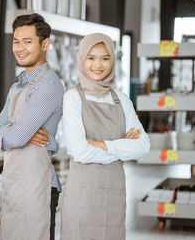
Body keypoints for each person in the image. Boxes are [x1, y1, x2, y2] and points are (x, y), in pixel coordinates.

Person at [59, 33, 150, 240]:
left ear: (112, 61)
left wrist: (100, 144)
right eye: (91, 58)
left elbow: (143, 146)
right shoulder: (73, 98)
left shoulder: (122, 100)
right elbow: (80, 151)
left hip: (113, 196)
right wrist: (121, 148)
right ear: (82, 59)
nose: (98, 65)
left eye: (105, 58)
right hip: (82, 197)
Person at [0, 13, 64, 240]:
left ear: (45, 44)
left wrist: (1, 135)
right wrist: (12, 133)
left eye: (28, 42)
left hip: (37, 186)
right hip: (15, 183)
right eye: (16, 41)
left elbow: (14, 136)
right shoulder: (19, 84)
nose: (20, 48)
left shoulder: (48, 84)